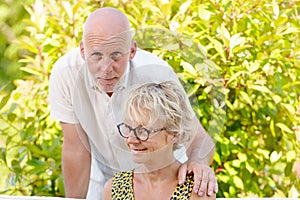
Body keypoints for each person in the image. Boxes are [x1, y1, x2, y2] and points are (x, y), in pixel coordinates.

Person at [49, 7, 217, 199]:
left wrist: (198, 164)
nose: (106, 69)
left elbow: (197, 137)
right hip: (108, 183)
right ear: (82, 51)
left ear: (132, 51)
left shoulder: (157, 73)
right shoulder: (66, 73)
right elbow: (75, 147)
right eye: (96, 55)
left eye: (115, 56)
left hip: (166, 179)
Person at [102, 81, 216, 200]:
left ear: (174, 133)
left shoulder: (197, 189)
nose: (131, 139)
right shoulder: (114, 188)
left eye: (143, 131)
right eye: (128, 128)